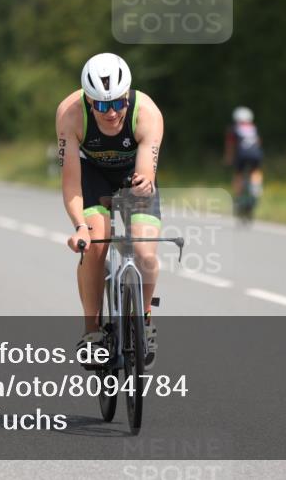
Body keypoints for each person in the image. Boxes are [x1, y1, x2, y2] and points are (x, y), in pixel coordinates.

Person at [55, 53, 164, 367]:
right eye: (102, 105)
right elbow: (72, 183)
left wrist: (143, 185)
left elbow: (145, 174)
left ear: (128, 95)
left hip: (133, 175)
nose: (112, 112)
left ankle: (143, 321)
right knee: (94, 246)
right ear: (89, 102)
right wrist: (79, 227)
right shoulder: (70, 115)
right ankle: (92, 333)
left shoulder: (147, 114)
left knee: (145, 253)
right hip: (92, 177)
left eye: (118, 102)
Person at [225, 106, 264, 202]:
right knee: (255, 171)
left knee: (238, 174)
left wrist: (228, 158)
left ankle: (237, 196)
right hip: (256, 154)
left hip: (241, 155)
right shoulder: (254, 128)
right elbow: (258, 142)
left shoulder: (233, 128)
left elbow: (230, 145)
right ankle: (256, 187)